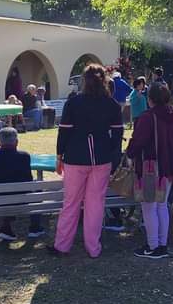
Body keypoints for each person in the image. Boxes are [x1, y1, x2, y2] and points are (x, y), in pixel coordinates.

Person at [51, 64, 124, 258]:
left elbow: (64, 131)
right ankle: (93, 247)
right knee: (95, 204)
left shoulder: (74, 103)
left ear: (84, 80)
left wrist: (59, 156)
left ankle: (62, 246)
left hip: (75, 158)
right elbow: (118, 133)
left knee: (71, 203)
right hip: (101, 159)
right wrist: (109, 149)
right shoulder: (112, 105)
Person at [126, 83, 173, 259]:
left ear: (150, 99)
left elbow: (138, 141)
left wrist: (129, 154)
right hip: (169, 166)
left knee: (149, 207)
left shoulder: (148, 117)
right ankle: (161, 244)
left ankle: (153, 246)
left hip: (151, 166)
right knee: (162, 206)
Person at [0, 127, 46, 241]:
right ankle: (35, 228)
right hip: (21, 199)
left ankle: (6, 228)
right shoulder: (24, 156)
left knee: (4, 191)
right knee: (36, 188)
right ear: (17, 142)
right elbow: (28, 179)